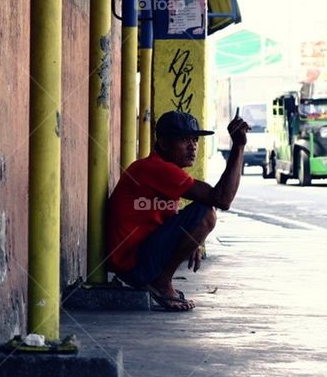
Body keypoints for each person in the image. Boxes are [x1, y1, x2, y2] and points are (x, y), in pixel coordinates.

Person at [106, 110, 250, 311]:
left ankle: (160, 279)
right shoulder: (157, 168)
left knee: (201, 214)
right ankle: (161, 283)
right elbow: (222, 199)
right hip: (132, 263)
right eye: (184, 140)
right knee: (206, 213)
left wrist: (195, 242)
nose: (192, 146)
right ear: (164, 144)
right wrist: (239, 146)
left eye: (194, 140)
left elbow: (162, 218)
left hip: (133, 260)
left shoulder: (158, 169)